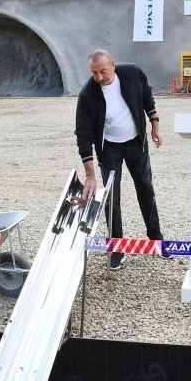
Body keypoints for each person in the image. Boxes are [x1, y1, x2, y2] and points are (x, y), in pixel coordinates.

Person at [75, 49, 163, 270]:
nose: (99, 77)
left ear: (113, 65)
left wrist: (155, 125)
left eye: (103, 71)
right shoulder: (88, 94)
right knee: (111, 198)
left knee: (146, 189)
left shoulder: (132, 73)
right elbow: (83, 134)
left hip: (136, 143)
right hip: (110, 149)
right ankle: (116, 248)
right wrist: (90, 174)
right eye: (94, 73)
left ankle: (156, 240)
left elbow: (146, 96)